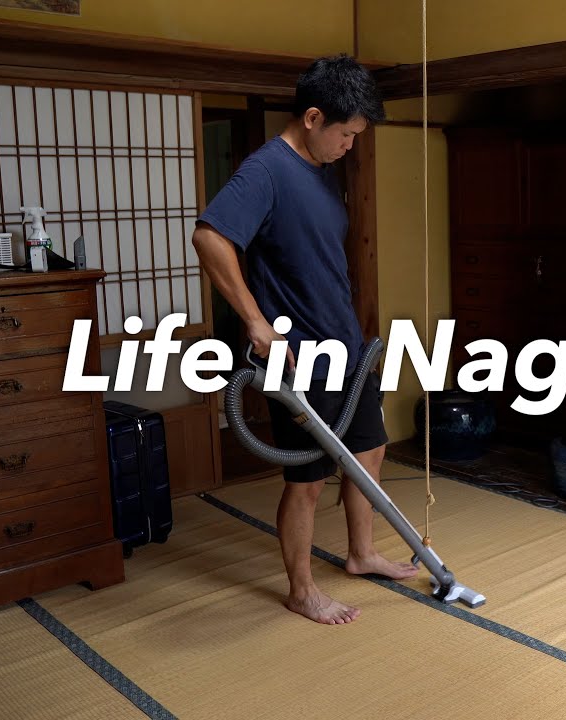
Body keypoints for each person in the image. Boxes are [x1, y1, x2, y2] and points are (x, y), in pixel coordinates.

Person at [191, 55, 418, 625]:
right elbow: (210, 237)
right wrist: (255, 322)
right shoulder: (265, 171)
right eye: (346, 134)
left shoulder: (321, 169)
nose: (350, 146)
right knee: (309, 479)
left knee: (369, 450)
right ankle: (301, 590)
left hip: (344, 344)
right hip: (299, 358)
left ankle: (362, 554)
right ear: (314, 118)